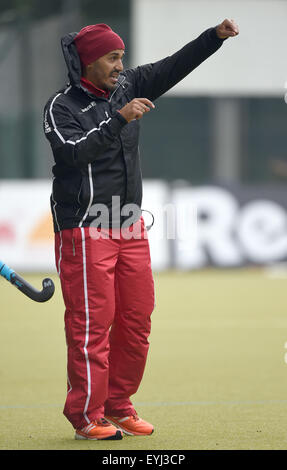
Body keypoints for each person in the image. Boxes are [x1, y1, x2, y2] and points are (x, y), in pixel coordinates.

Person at [43, 19, 239, 441]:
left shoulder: (128, 85)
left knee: (135, 320)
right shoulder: (61, 107)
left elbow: (175, 66)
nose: (120, 64)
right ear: (89, 62)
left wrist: (213, 38)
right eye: (112, 57)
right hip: (85, 227)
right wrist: (117, 119)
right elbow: (72, 154)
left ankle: (117, 405)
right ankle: (86, 417)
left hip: (129, 224)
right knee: (93, 325)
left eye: (121, 57)